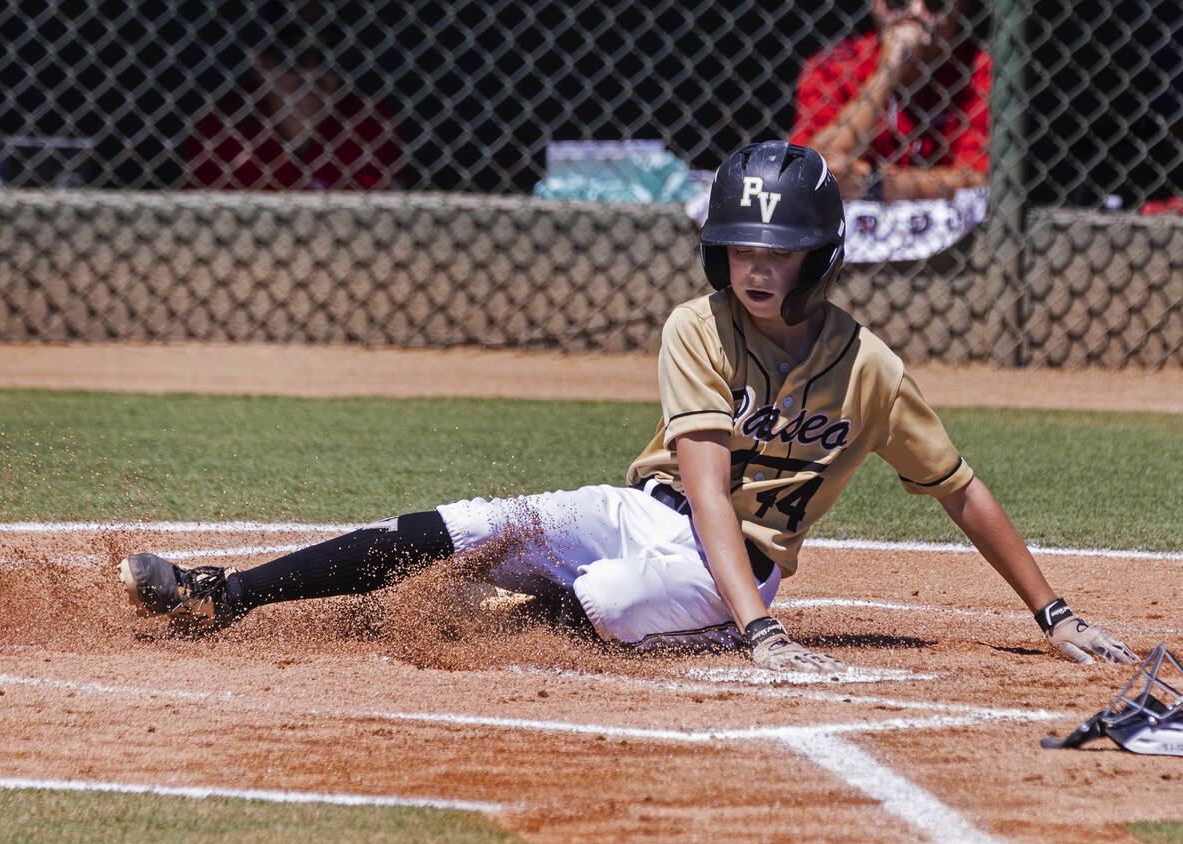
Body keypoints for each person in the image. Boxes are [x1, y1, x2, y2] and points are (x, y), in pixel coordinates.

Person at [119, 141, 1135, 672]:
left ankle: (491, 625)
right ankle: (225, 595)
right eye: (741, 247)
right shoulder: (696, 327)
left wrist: (1054, 612)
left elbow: (958, 491)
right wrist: (761, 638)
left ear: (822, 259)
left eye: (778, 253)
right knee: (469, 526)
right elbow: (696, 482)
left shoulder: (872, 369)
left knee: (608, 602)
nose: (756, 268)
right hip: (646, 510)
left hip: (736, 569)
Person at [790, 0, 990, 202]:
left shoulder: (978, 70)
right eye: (898, 2)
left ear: (960, 9)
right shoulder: (832, 66)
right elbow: (807, 172)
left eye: (935, 4)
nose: (915, 13)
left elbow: (979, 179)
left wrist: (874, 183)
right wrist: (887, 73)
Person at [186, 25, 403, 191]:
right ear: (261, 65)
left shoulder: (369, 124)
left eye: (324, 58)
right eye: (292, 58)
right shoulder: (223, 127)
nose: (311, 73)